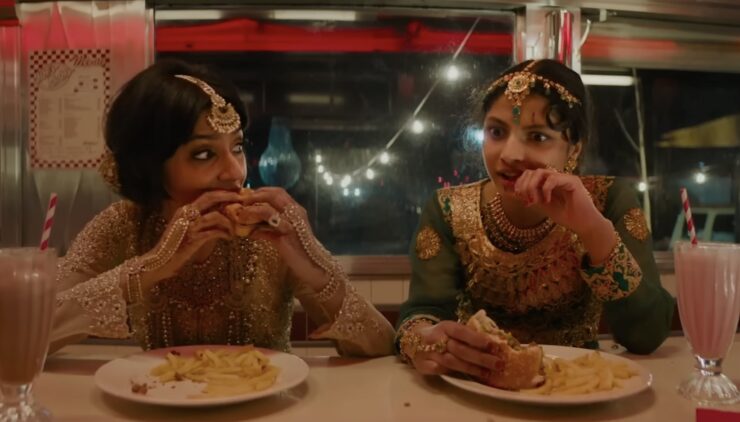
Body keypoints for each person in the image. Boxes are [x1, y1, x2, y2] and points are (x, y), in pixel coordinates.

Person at [50, 59, 395, 357]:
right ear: (151, 167)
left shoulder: (270, 231)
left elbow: (380, 344)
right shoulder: (123, 225)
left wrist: (313, 266)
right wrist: (151, 268)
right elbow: (22, 336)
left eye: (238, 148)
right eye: (204, 154)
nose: (235, 173)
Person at [396, 59, 675, 382]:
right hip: (479, 392)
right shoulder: (447, 210)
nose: (510, 154)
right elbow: (421, 313)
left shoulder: (609, 201)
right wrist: (422, 341)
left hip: (577, 389)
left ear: (573, 149)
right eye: (497, 131)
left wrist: (593, 229)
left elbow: (648, 335)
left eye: (538, 137)